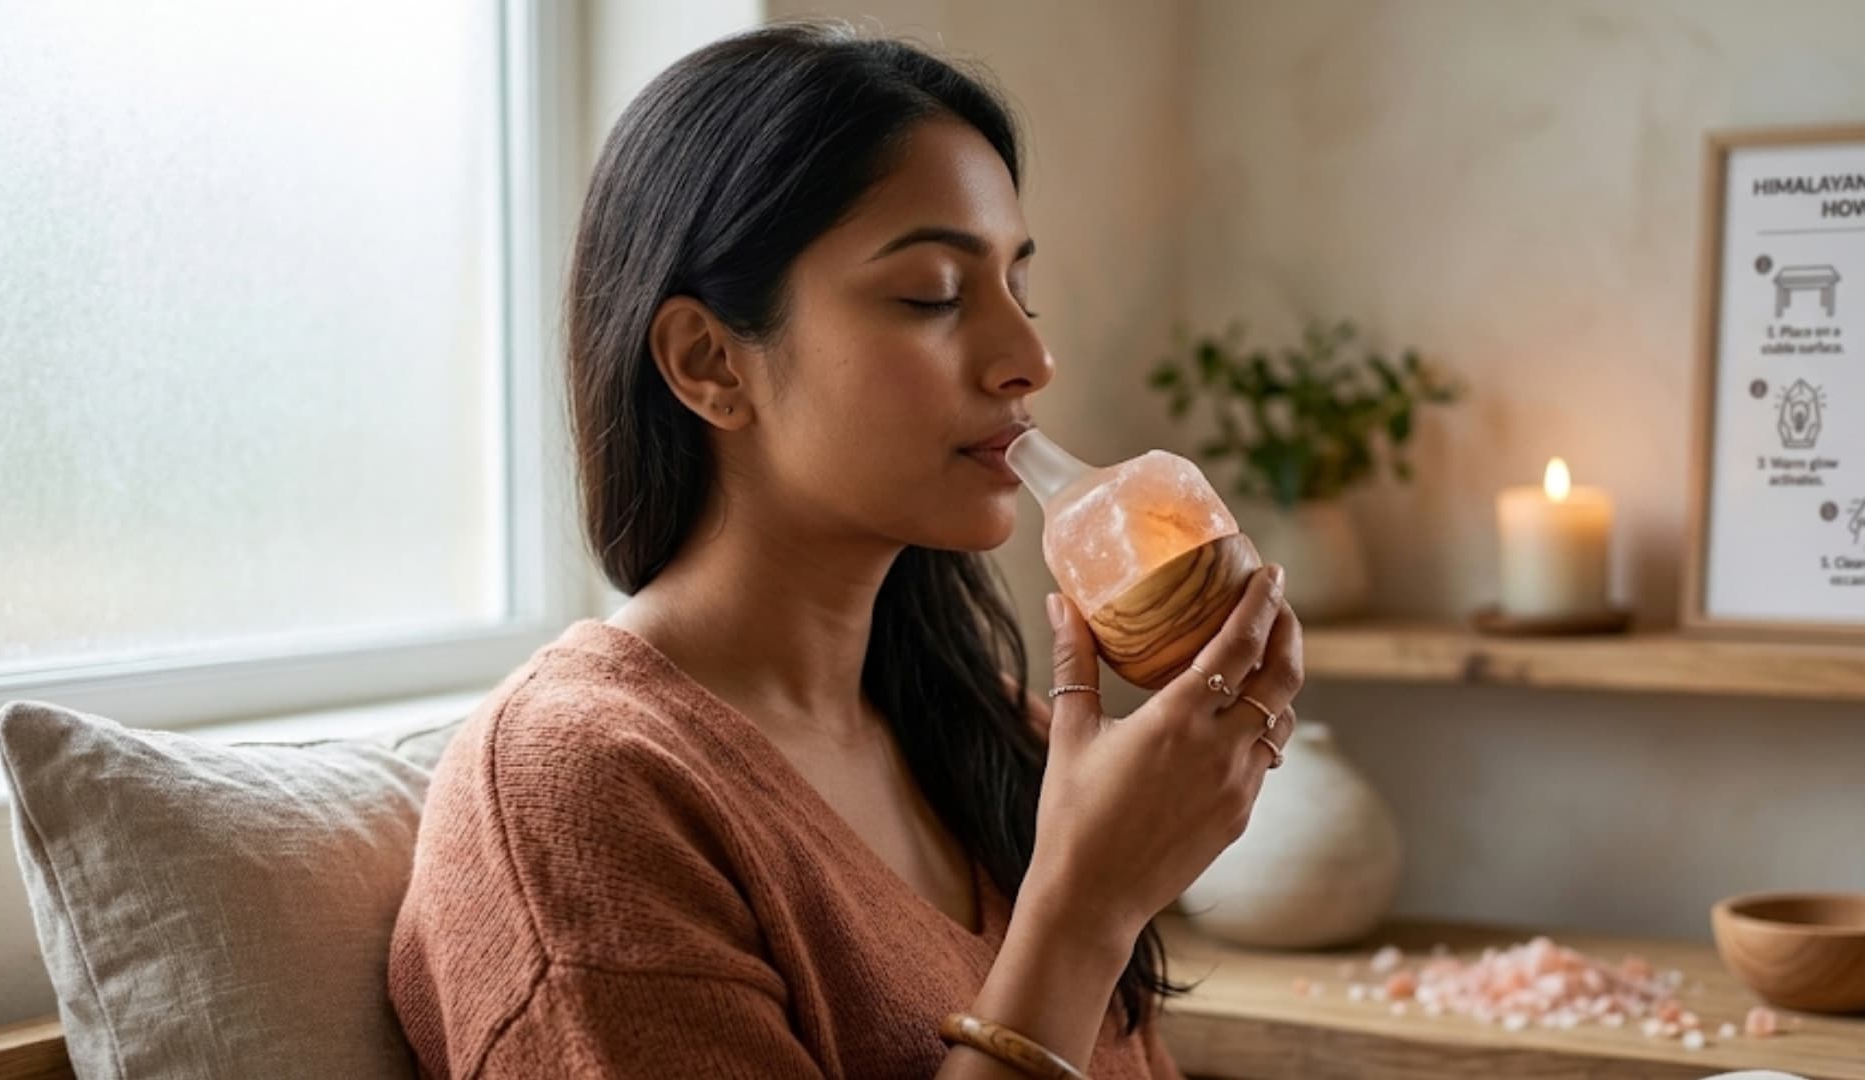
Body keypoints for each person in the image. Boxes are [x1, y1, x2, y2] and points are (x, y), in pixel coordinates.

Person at [387, 20, 1303, 1079]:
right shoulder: (579, 793)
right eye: (934, 295)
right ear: (709, 362)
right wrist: (1086, 908)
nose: (1030, 356)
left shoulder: (998, 737)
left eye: (1020, 290)